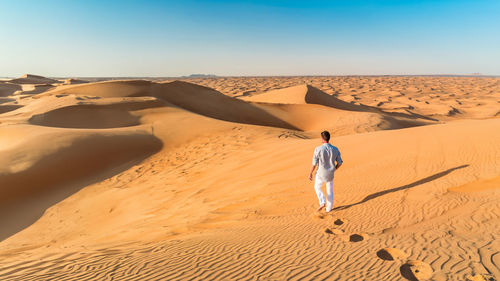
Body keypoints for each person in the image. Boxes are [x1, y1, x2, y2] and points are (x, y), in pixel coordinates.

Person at [308, 131, 343, 212]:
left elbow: (314, 163)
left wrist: (310, 173)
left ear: (322, 139)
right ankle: (328, 209)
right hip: (330, 174)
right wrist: (334, 169)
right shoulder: (335, 149)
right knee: (330, 191)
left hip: (320, 174)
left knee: (317, 187)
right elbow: (340, 162)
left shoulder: (318, 149)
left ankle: (322, 202)